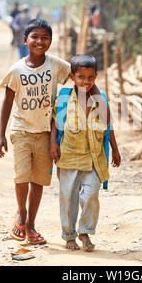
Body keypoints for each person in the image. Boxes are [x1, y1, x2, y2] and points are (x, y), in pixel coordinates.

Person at [0, 18, 71, 245]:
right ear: (25, 40)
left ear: (51, 41)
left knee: (38, 181)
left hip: (46, 133)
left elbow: (79, 76)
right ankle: (20, 212)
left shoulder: (57, 65)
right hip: (20, 130)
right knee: (22, 177)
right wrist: (1, 135)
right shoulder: (16, 70)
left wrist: (97, 97)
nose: (40, 41)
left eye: (45, 37)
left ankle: (31, 225)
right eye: (35, 37)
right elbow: (7, 103)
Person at [50, 54, 121, 252]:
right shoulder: (64, 97)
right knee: (68, 198)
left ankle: (85, 231)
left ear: (96, 77)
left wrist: (115, 149)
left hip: (94, 157)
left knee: (91, 196)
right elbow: (54, 124)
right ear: (72, 77)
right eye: (81, 77)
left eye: (90, 77)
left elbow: (108, 124)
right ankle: (69, 235)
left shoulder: (100, 99)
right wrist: (52, 145)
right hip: (69, 156)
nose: (86, 81)